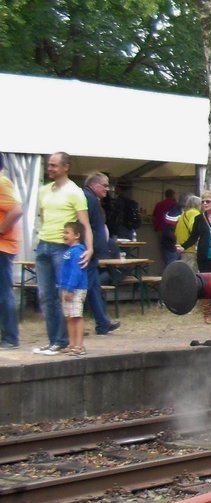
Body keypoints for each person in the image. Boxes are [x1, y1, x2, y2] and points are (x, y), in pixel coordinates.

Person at [34, 152, 92, 355]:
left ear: (65, 167)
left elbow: (85, 224)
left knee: (64, 295)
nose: (50, 169)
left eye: (53, 165)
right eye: (48, 165)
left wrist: (89, 248)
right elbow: (42, 217)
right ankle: (54, 340)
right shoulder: (43, 191)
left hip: (62, 248)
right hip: (44, 243)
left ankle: (62, 341)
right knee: (45, 295)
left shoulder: (75, 192)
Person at [82, 172, 121, 335]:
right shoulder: (88, 198)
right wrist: (90, 247)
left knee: (92, 287)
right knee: (84, 287)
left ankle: (102, 322)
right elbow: (85, 225)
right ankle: (74, 323)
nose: (107, 189)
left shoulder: (91, 198)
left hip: (91, 250)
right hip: (87, 251)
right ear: (94, 184)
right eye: (104, 185)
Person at [0, 155, 24, 350]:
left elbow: (16, 210)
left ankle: (10, 337)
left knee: (4, 292)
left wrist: (0, 229)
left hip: (3, 246)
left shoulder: (2, 182)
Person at [56, 221, 90, 357]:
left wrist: (70, 289)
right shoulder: (69, 251)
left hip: (76, 288)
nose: (64, 235)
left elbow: (76, 272)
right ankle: (71, 343)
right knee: (69, 317)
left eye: (67, 233)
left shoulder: (77, 252)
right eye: (64, 232)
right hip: (66, 288)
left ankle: (79, 345)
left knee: (76, 316)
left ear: (77, 235)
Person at [152, 189, 180, 268]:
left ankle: (165, 266)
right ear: (173, 195)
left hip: (160, 230)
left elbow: (153, 217)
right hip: (172, 231)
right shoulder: (175, 205)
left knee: (163, 251)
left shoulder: (159, 204)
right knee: (173, 251)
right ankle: (170, 269)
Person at [174, 194, 202, 270]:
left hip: (182, 246)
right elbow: (193, 227)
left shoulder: (183, 214)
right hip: (190, 248)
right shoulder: (194, 213)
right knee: (191, 273)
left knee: (184, 271)